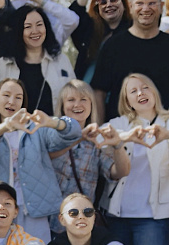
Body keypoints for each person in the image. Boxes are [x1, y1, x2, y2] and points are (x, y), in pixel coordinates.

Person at [0, 77, 80, 244]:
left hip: (33, 209)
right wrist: (5, 127)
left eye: (18, 97)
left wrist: (52, 122)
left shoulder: (36, 129)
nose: (12, 101)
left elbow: (73, 132)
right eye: (6, 95)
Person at [100, 73, 169, 245]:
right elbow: (97, 138)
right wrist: (124, 138)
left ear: (155, 93)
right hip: (117, 214)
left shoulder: (167, 122)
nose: (141, 93)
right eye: (133, 91)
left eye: (145, 87)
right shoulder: (119, 124)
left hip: (152, 217)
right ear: (126, 101)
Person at [48, 80, 129, 234]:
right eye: (71, 100)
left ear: (92, 105)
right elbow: (47, 155)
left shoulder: (97, 140)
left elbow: (119, 172)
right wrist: (80, 137)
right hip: (46, 222)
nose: (77, 104)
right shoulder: (50, 134)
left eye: (83, 99)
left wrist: (118, 145)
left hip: (80, 224)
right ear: (62, 106)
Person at [92, 0, 169, 122]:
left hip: (164, 130)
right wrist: (99, 129)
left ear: (161, 6)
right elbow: (99, 92)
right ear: (131, 6)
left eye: (152, 3)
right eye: (140, 3)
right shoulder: (113, 46)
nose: (146, 8)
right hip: (122, 132)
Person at [0, 5, 75, 116]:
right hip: (13, 127)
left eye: (39, 25)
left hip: (53, 126)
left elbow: (74, 100)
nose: (35, 31)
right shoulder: (4, 64)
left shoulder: (61, 61)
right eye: (28, 27)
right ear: (19, 30)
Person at [69, 0, 132, 81]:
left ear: (124, 5)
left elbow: (151, 17)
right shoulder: (89, 31)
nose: (108, 5)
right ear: (97, 8)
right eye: (103, 2)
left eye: (114, 0)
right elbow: (71, 18)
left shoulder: (134, 29)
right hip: (88, 87)